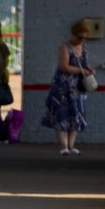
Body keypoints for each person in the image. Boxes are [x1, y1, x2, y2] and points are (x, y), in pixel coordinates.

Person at [41, 21, 94, 155]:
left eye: (84, 38)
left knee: (76, 114)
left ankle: (72, 146)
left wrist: (89, 70)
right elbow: (64, 67)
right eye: (80, 37)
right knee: (62, 114)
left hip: (78, 87)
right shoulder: (65, 47)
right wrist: (83, 71)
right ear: (73, 34)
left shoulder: (84, 48)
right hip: (63, 87)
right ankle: (64, 146)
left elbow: (85, 64)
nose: (82, 40)